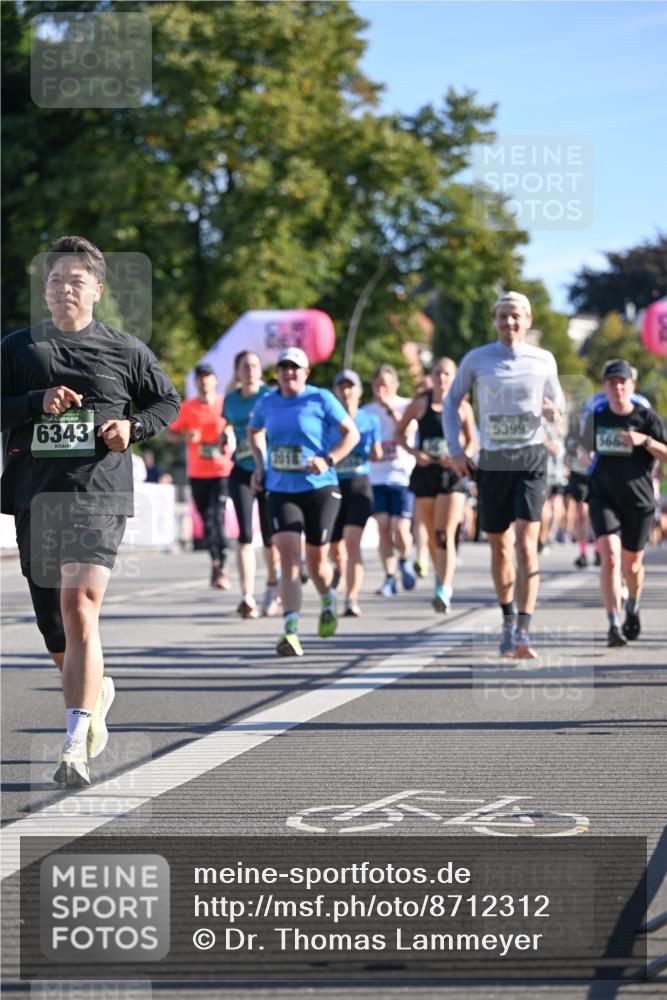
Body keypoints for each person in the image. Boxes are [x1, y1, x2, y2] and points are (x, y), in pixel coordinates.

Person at [0, 235, 180, 786]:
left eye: (74, 280)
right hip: (36, 495)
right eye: (53, 280)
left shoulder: (125, 351)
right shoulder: (18, 349)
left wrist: (133, 427)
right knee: (55, 626)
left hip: (98, 494)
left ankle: (73, 741)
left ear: (97, 289)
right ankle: (94, 689)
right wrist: (35, 402)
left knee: (80, 603)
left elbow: (166, 402)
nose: (62, 289)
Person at [444, 291, 564, 658]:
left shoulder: (543, 359)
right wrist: (455, 450)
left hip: (530, 457)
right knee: (500, 545)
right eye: (503, 316)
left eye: (516, 316)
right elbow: (451, 402)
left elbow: (558, 406)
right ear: (494, 320)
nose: (510, 323)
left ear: (528, 320)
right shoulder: (477, 359)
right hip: (493, 460)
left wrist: (552, 412)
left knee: (527, 545)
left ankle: (524, 631)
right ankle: (508, 619)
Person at [248, 348, 359, 656]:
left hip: (319, 488)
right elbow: (254, 430)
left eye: (295, 368)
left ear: (306, 373)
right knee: (288, 556)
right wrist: (260, 465)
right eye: (283, 367)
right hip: (281, 488)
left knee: (316, 561)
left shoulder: (321, 398)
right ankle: (291, 630)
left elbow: (352, 434)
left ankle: (327, 598)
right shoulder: (268, 401)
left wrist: (329, 459)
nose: (288, 372)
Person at [580, 359, 667, 647]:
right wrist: (584, 457)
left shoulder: (647, 418)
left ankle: (633, 604)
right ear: (604, 386)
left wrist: (644, 442)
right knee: (610, 557)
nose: (617, 387)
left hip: (639, 501)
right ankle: (613, 624)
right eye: (611, 382)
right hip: (603, 496)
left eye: (622, 381)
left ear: (632, 385)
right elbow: (582, 450)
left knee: (632, 566)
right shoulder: (597, 416)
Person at [396, 358, 476, 612]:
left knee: (444, 533)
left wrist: (459, 456)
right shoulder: (420, 403)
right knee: (431, 535)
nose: (442, 378)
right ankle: (439, 578)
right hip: (426, 472)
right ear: (431, 375)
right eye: (438, 373)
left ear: (454, 377)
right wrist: (414, 452)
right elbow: (399, 433)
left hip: (452, 476)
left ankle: (445, 588)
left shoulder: (462, 407)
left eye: (447, 374)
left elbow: (473, 441)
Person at [223, 350, 280, 618]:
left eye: (255, 365)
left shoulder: (269, 397)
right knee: (245, 535)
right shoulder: (230, 400)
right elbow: (226, 424)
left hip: (269, 472)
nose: (251, 369)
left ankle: (272, 587)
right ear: (237, 371)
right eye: (245, 365)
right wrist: (226, 437)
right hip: (241, 471)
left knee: (270, 537)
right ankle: (246, 596)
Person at [168, 363, 232, 589]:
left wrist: (230, 436)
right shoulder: (188, 407)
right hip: (197, 473)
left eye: (208, 377)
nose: (204, 381)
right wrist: (185, 436)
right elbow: (171, 434)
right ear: (196, 382)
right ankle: (215, 561)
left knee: (217, 516)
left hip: (222, 471)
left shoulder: (226, 404)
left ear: (215, 380)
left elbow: (238, 428)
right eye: (200, 378)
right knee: (207, 522)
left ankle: (221, 566)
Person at [329, 369, 382, 617]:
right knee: (333, 549)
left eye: (351, 387)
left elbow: (377, 454)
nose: (346, 392)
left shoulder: (370, 420)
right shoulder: (328, 420)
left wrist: (367, 448)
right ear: (336, 392)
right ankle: (339, 569)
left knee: (352, 544)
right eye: (341, 387)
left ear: (359, 392)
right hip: (332, 486)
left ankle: (351, 599)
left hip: (359, 484)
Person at [362, 364, 417, 596]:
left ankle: (404, 559)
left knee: (400, 529)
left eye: (384, 385)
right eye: (376, 386)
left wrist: (389, 410)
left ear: (394, 386)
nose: (380, 390)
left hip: (401, 476)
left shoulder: (406, 406)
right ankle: (389, 577)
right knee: (383, 528)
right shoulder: (366, 411)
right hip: (376, 477)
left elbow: (407, 433)